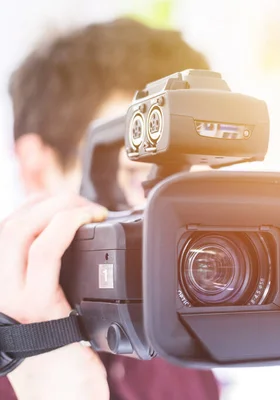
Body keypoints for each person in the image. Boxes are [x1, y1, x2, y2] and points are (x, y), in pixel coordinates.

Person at [0, 18, 220, 399]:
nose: (180, 222)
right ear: (37, 169)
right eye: (137, 175)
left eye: (190, 185)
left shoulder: (180, 345)